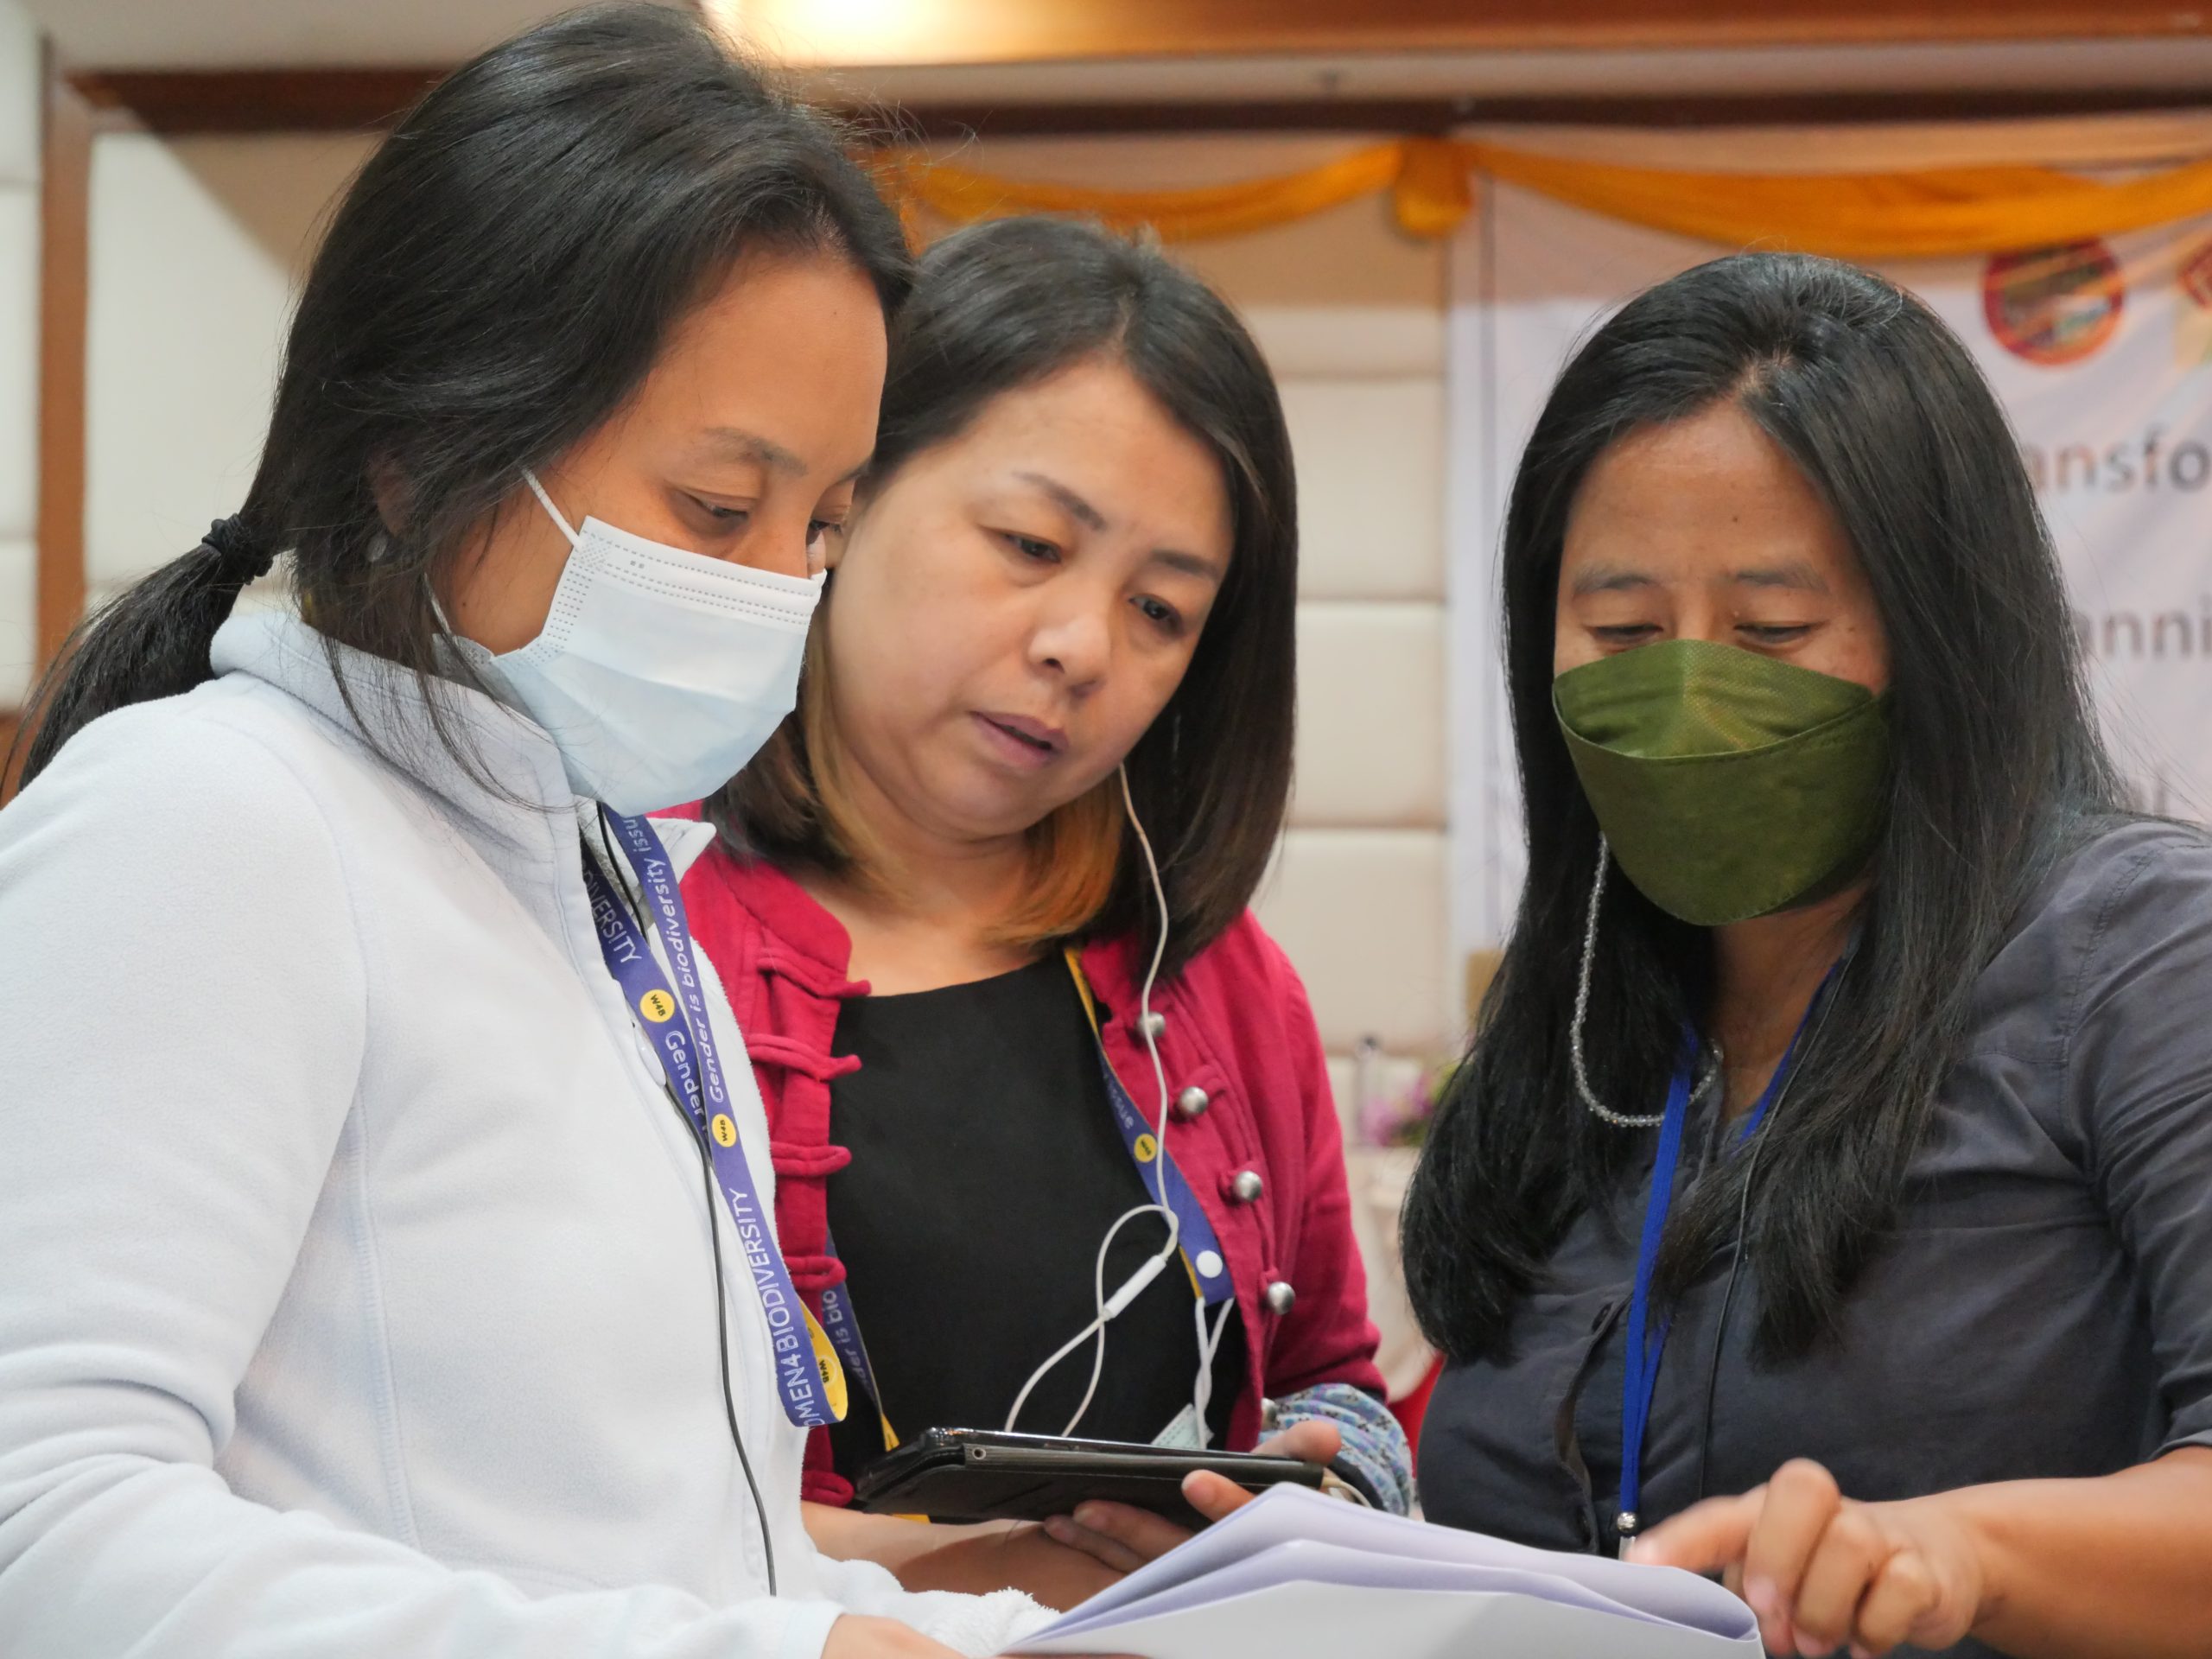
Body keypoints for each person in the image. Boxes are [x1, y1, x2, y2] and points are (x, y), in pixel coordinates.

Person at [0, 10, 1080, 1656]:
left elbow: (684, 1557)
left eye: (824, 524)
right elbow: (42, 1532)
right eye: (721, 507)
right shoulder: (209, 820)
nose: (777, 583)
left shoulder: (597, 867)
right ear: (424, 446)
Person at [1399, 252, 2212, 1658]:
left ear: (1937, 634)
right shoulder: (1583, 1024)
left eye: (1771, 632)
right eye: (1623, 632)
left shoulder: (2139, 955)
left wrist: (1955, 1550)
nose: (1691, 688)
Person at [678, 216, 1413, 1599]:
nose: (1080, 645)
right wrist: (982, 1570)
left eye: (1161, 612)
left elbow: (1333, 1378)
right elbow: (577, 1500)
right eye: (1028, 544)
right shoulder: (654, 945)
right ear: (852, 495)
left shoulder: (1212, 979)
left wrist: (1336, 1489)